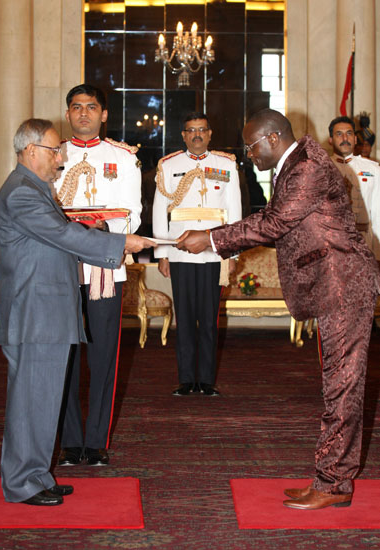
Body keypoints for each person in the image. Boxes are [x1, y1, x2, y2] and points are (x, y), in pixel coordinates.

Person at [176, 108, 380, 510]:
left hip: (343, 284)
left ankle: (334, 483)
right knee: (338, 382)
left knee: (343, 385)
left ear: (272, 139)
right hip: (333, 282)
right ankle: (331, 478)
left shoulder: (306, 168)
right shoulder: (295, 164)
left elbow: (273, 222)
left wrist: (213, 239)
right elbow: (281, 224)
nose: (248, 154)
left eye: (250, 146)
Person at [0, 118, 154, 506]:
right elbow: (64, 234)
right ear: (32, 151)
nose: (61, 157)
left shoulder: (34, 188)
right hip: (35, 315)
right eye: (54, 150)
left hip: (46, 314)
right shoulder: (22, 194)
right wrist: (120, 242)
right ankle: (20, 482)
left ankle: (35, 475)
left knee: (44, 400)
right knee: (30, 402)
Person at [53, 84, 142, 467]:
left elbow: (133, 214)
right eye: (76, 107)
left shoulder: (122, 157)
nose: (84, 114)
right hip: (61, 266)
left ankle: (97, 441)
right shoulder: (53, 153)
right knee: (65, 355)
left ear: (104, 114)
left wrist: (100, 229)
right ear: (68, 113)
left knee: (104, 356)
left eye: (91, 107)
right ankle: (71, 441)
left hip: (105, 266)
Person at [152, 112, 241, 396]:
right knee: (186, 318)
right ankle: (186, 379)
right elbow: (159, 210)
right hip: (179, 251)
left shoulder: (225, 164)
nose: (197, 135)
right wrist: (162, 253)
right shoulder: (169, 165)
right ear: (183, 135)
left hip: (215, 251)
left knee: (209, 319)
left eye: (202, 130)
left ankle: (206, 380)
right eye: (191, 130)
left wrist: (232, 252)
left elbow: (234, 209)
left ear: (210, 133)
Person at [328, 115, 380, 260]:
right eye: (339, 134)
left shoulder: (373, 170)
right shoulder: (319, 169)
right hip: (330, 245)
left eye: (349, 133)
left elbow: (378, 213)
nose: (345, 138)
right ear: (330, 140)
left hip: (363, 243)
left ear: (355, 139)